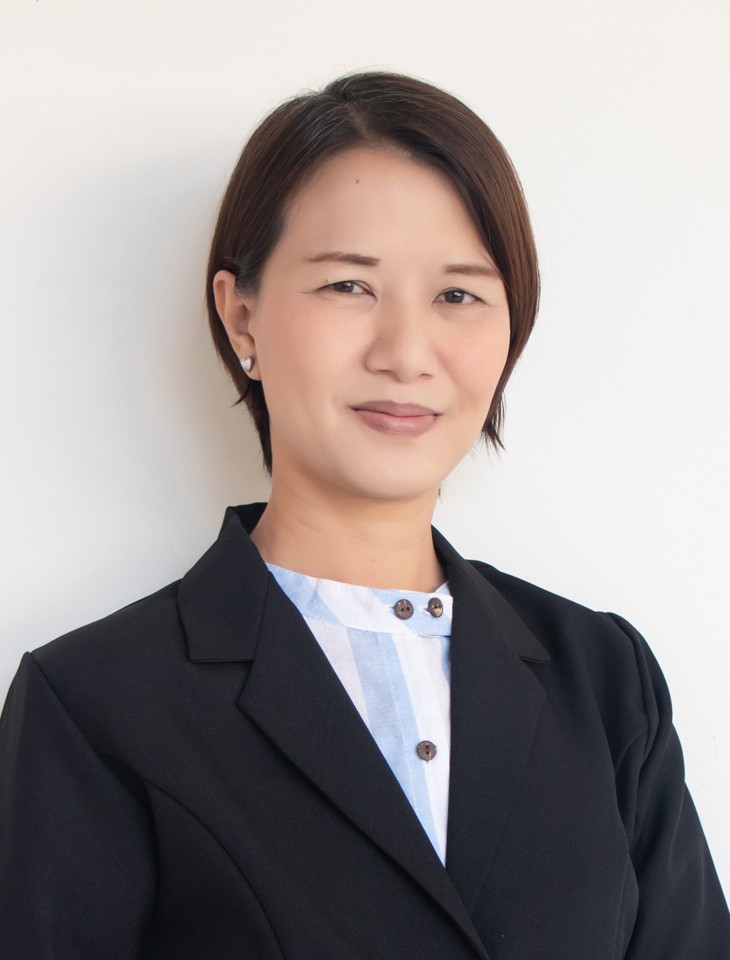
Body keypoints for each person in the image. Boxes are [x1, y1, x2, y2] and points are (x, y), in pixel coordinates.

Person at [0, 71, 728, 960]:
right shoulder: (96, 704)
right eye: (349, 285)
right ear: (241, 317)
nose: (407, 353)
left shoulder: (606, 678)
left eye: (458, 295)